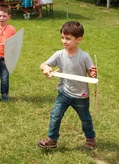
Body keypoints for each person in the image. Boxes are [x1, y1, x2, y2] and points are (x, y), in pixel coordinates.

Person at [37, 21, 98, 150]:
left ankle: (90, 138)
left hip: (80, 95)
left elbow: (90, 73)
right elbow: (43, 64)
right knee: (55, 115)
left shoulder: (84, 56)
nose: (64, 41)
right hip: (64, 93)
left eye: (68, 39)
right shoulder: (59, 54)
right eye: (62, 38)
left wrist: (92, 73)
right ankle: (52, 140)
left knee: (85, 119)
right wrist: (46, 68)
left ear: (78, 39)